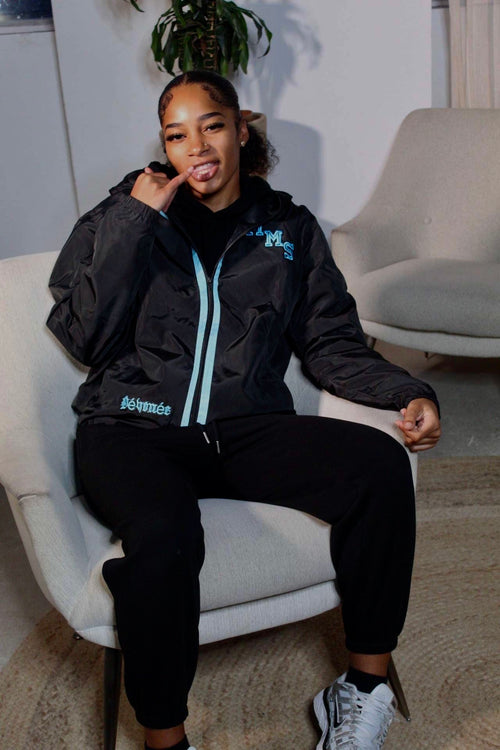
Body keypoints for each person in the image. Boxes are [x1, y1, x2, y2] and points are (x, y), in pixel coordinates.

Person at [47, 70, 441, 750]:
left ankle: (362, 689)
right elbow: (83, 334)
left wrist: (406, 392)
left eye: (211, 126)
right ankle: (165, 739)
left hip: (244, 428)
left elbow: (329, 340)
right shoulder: (124, 213)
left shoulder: (288, 228)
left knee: (380, 465)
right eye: (177, 134)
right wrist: (136, 221)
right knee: (165, 537)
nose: (196, 146)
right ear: (165, 147)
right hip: (133, 428)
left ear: (240, 129)